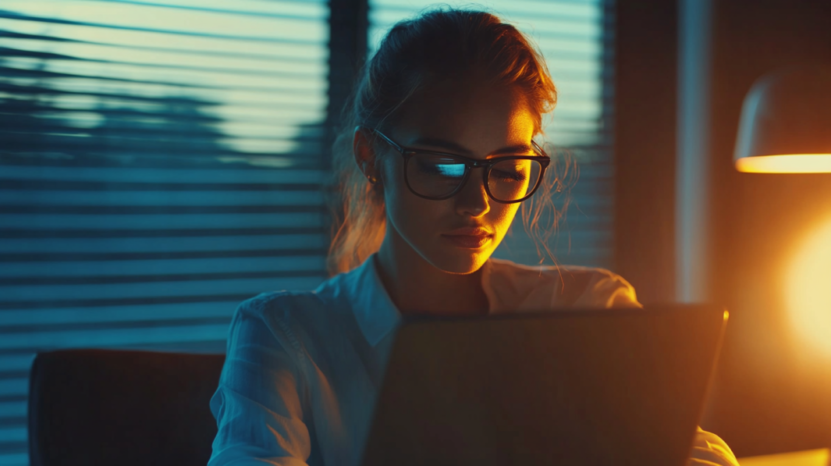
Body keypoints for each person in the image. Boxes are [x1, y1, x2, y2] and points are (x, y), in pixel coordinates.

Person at [208, 8, 738, 466]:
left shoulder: (588, 308)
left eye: (507, 168)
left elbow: (696, 452)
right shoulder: (285, 335)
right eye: (442, 165)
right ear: (371, 158)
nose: (477, 204)